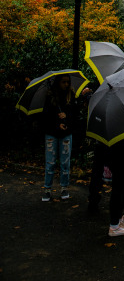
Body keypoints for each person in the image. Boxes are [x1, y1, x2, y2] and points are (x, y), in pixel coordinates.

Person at [41, 74, 89, 202]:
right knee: (50, 162)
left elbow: (75, 116)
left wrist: (66, 118)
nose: (66, 84)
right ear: (58, 82)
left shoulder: (71, 96)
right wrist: (57, 123)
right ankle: (47, 189)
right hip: (51, 133)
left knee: (65, 163)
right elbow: (45, 117)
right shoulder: (50, 97)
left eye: (68, 82)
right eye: (63, 82)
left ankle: (64, 188)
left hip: (66, 134)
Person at [88, 140, 124, 237]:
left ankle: (118, 219)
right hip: (117, 149)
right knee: (118, 186)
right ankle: (114, 226)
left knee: (120, 185)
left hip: (115, 147)